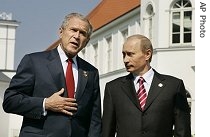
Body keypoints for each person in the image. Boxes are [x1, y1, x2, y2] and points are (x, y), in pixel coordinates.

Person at [2, 13, 102, 137]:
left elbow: (95, 118)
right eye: (73, 30)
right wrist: (45, 103)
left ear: (86, 41)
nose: (77, 36)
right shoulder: (34, 62)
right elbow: (10, 101)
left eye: (82, 33)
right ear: (61, 32)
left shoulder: (91, 72)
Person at [102, 34, 191, 137]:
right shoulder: (113, 88)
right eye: (124, 54)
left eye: (130, 54)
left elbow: (183, 130)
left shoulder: (173, 86)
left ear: (147, 54)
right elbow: (107, 131)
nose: (125, 60)